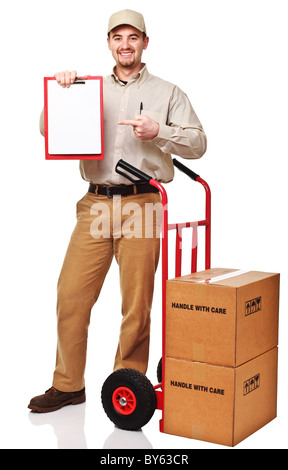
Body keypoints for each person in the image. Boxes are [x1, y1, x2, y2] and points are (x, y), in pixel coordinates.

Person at [28, 9, 207, 412]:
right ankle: (69, 384)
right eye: (117, 38)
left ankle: (127, 388)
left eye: (133, 38)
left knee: (136, 302)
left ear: (146, 42)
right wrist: (61, 91)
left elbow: (198, 143)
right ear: (109, 43)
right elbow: (47, 128)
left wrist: (160, 131)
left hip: (143, 202)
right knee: (71, 294)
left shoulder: (169, 92)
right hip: (95, 203)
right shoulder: (86, 88)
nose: (125, 45)